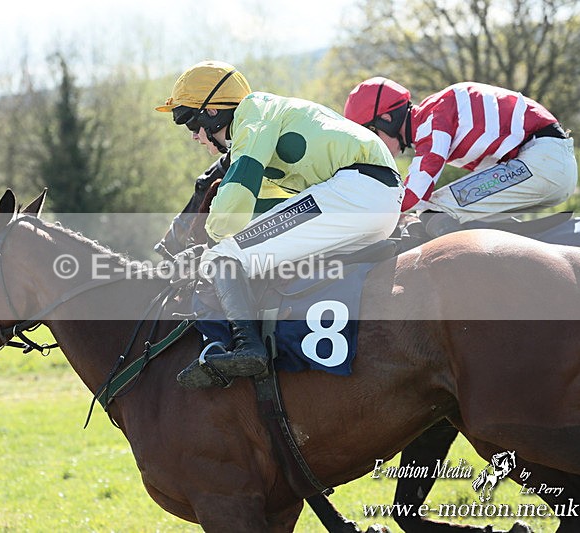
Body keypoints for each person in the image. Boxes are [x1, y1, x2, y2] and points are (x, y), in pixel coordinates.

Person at [156, 60, 403, 388]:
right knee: (246, 256)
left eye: (189, 121)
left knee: (224, 257)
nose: (194, 137)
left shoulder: (252, 114)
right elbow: (268, 210)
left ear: (213, 110)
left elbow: (237, 192)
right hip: (370, 197)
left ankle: (248, 348)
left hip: (358, 192)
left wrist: (212, 245)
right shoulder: (266, 121)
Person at [344, 77, 578, 237]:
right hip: (544, 162)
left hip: (543, 162)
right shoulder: (432, 117)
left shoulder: (433, 116)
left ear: (387, 119)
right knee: (434, 208)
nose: (372, 146)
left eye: (371, 135)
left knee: (432, 209)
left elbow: (416, 192)